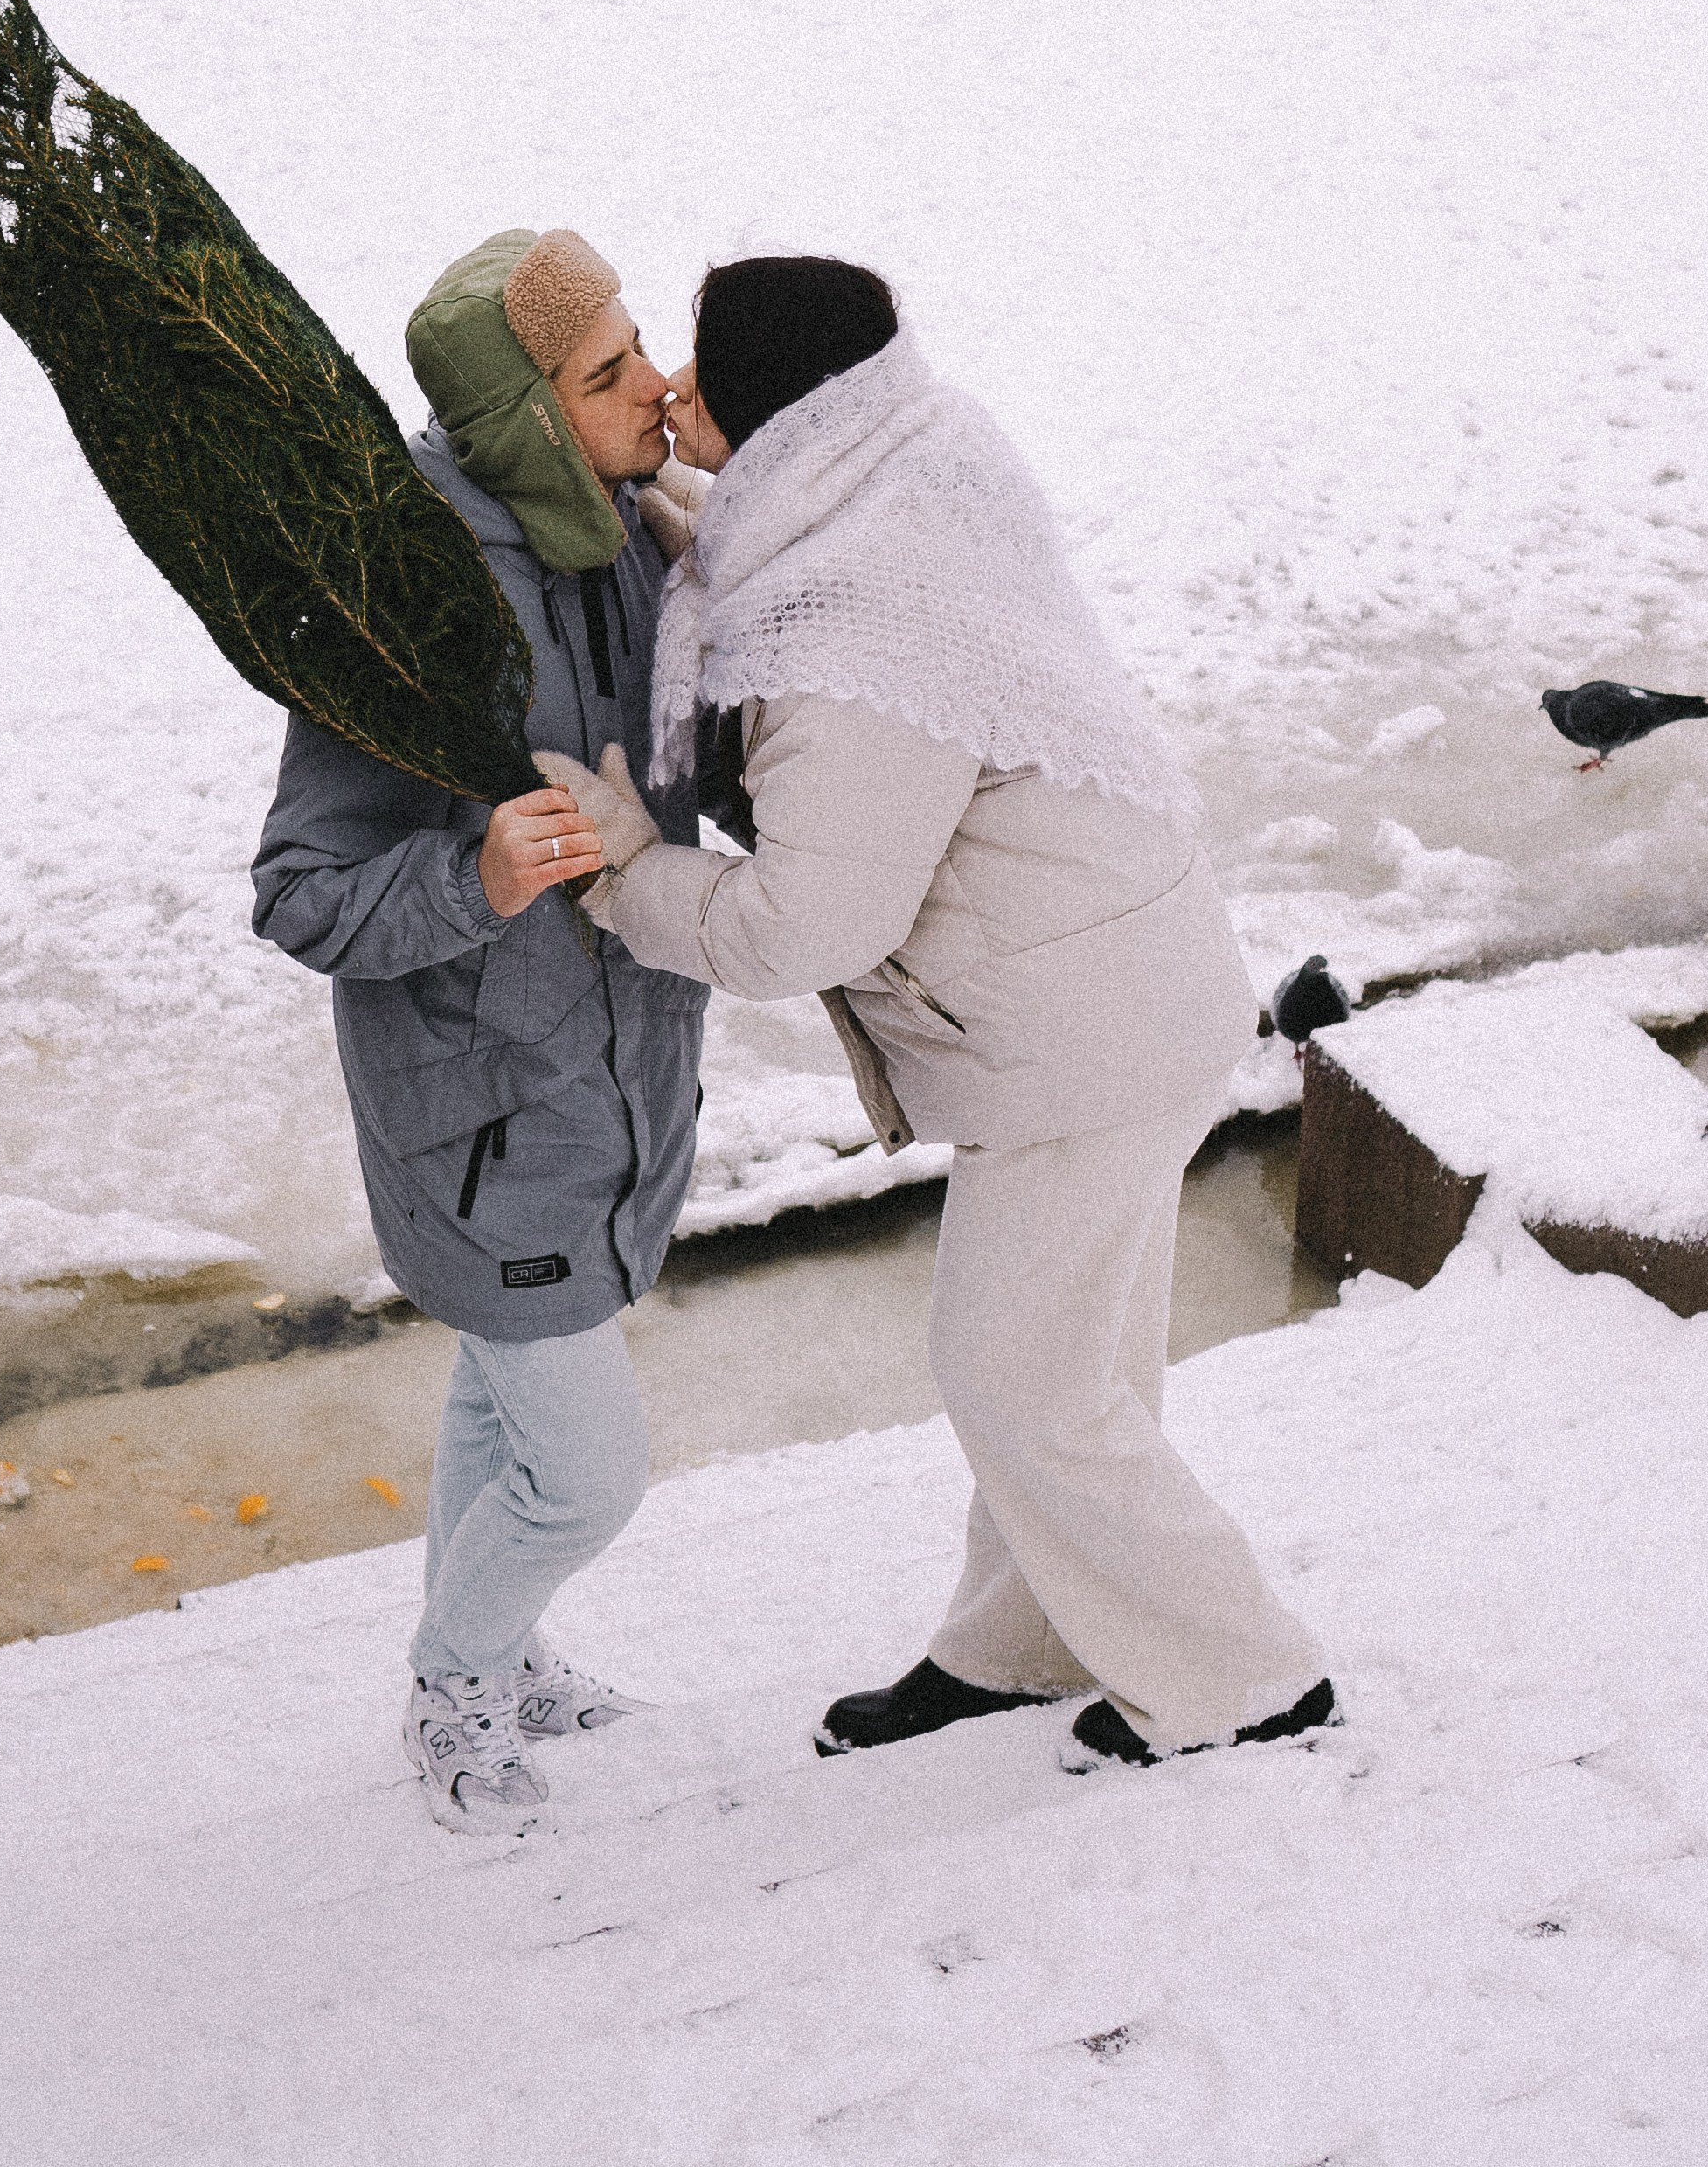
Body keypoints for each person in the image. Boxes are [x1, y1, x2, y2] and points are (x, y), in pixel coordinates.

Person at [542, 255, 1333, 1775]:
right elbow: (798, 555)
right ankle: (1027, 1642)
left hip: (1078, 1039)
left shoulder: (854, 657)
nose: (675, 395)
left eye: (704, 376)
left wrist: (628, 868)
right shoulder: (915, 451)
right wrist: (684, 516)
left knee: (1017, 1379)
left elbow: (800, 928)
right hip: (1111, 979)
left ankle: (1246, 1677)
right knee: (1069, 1371)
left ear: (791, 416)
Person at [253, 228, 708, 1835]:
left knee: (491, 1403)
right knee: (584, 1474)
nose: (657, 385)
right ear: (523, 418)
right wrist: (475, 872)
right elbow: (301, 891)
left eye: (639, 343)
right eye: (607, 373)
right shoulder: (408, 600)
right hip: (485, 1115)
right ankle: (456, 1682)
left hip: (613, 1075)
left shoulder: (629, 536)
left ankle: (496, 1660)